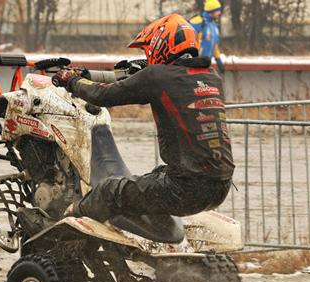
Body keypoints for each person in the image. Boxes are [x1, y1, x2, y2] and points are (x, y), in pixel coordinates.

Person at [51, 13, 234, 224]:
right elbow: (174, 81)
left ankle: (66, 229)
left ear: (161, 44)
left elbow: (103, 95)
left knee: (108, 191)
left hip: (186, 188)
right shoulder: (212, 77)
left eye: (148, 50)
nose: (148, 54)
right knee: (153, 177)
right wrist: (144, 71)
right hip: (220, 185)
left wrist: (72, 79)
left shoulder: (157, 76)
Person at [189, 0, 225, 74]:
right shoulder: (199, 22)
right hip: (195, 65)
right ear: (212, 11)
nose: (219, 13)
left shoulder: (214, 26)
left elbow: (215, 45)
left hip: (206, 65)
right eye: (218, 10)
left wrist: (218, 61)